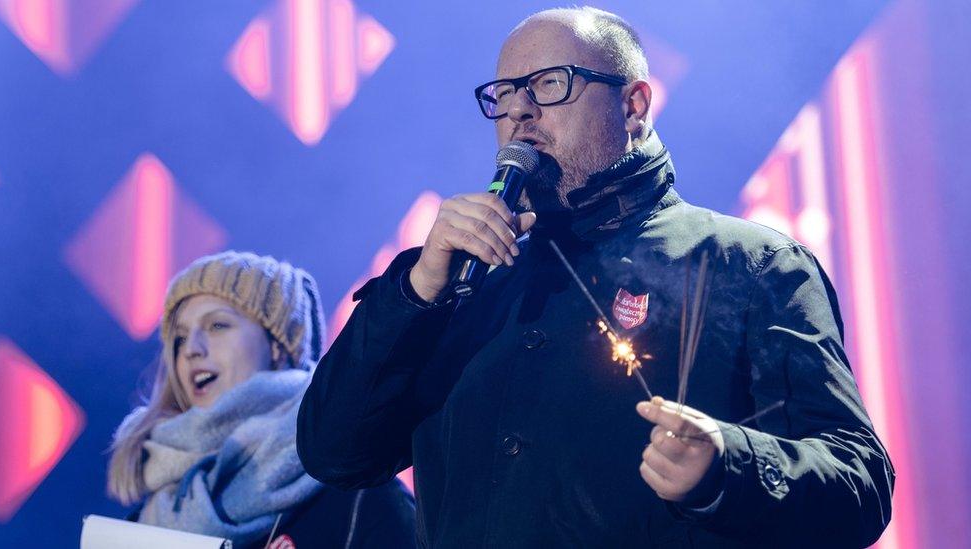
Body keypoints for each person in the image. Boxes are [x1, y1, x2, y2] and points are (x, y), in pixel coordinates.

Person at [296, 7, 894, 548]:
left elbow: (860, 484)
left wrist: (725, 466)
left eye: (549, 84)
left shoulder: (750, 265)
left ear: (633, 105)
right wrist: (414, 291)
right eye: (503, 94)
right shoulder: (461, 284)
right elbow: (335, 454)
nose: (518, 111)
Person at [107, 251, 417, 549]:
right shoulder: (149, 521)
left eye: (217, 325)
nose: (191, 349)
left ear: (278, 345)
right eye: (180, 338)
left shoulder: (358, 496)